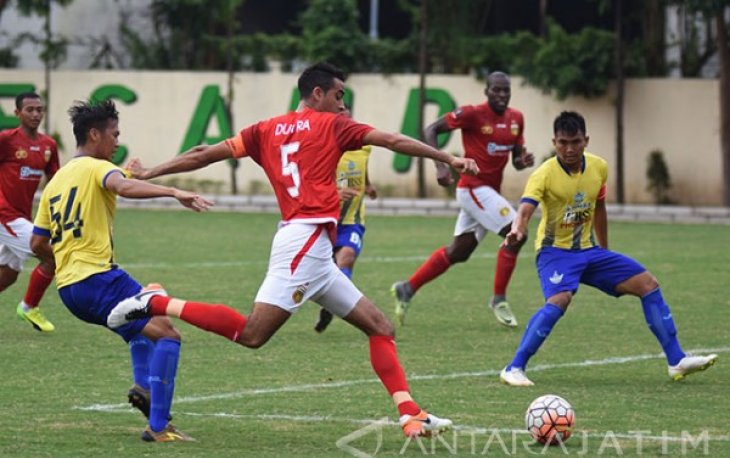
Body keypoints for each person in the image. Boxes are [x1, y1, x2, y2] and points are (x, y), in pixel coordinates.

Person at [114, 62, 478, 437]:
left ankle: (411, 413)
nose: (342, 104)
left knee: (380, 326)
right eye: (338, 95)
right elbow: (392, 140)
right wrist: (447, 158)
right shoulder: (333, 125)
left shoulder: (265, 129)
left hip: (312, 249)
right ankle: (155, 303)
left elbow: (204, 152)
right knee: (251, 334)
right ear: (316, 94)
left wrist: (150, 172)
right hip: (304, 242)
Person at [30, 99, 216, 442]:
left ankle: (144, 388)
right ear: (94, 134)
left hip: (71, 290)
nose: (117, 141)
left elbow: (37, 244)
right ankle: (159, 426)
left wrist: (61, 264)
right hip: (99, 279)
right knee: (168, 334)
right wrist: (173, 191)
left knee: (145, 317)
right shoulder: (97, 168)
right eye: (114, 134)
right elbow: (122, 186)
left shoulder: (56, 182)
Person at [499, 111, 717, 386]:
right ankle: (514, 367)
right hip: (555, 252)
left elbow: (599, 207)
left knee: (648, 284)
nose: (569, 148)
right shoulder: (543, 175)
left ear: (586, 140)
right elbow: (526, 208)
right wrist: (518, 227)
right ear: (554, 142)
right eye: (563, 142)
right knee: (559, 300)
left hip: (590, 252)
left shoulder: (599, 167)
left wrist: (606, 251)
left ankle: (676, 360)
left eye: (575, 141)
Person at [391, 72, 534, 329]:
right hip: (472, 188)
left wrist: (522, 162)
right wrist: (441, 165)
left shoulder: (516, 119)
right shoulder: (472, 114)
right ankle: (499, 299)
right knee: (517, 231)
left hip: (489, 193)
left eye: (506, 91)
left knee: (459, 252)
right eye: (496, 90)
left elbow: (515, 157)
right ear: (486, 91)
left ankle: (407, 288)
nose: (501, 95)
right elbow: (430, 129)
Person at [0, 92, 59, 332]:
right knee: (52, 255)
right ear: (17, 113)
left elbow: (55, 180)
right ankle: (29, 307)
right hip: (5, 216)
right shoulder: (6, 140)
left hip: (22, 216)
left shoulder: (48, 145)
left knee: (9, 273)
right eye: (30, 110)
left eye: (39, 109)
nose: (36, 114)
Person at [314, 108, 377, 333]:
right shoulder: (324, 147)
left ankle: (332, 306)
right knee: (320, 268)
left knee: (347, 257)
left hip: (353, 219)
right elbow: (313, 180)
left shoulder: (364, 146)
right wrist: (335, 192)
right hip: (327, 219)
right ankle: (331, 299)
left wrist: (367, 184)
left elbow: (362, 167)